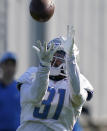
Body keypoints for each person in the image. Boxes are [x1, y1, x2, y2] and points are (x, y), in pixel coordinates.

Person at [16, 26, 93, 131]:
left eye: (60, 57)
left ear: (69, 60)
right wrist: (44, 67)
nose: (54, 60)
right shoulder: (32, 74)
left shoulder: (79, 82)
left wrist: (71, 59)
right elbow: (34, 96)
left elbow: (77, 96)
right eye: (52, 55)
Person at [0, 52, 20, 131]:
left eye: (12, 65)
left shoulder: (20, 87)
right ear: (1, 66)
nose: (10, 68)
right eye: (7, 64)